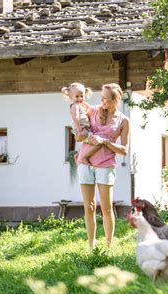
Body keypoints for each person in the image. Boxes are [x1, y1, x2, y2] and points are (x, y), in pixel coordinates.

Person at [76, 83, 130, 249]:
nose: (102, 101)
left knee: (106, 208)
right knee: (89, 206)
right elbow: (79, 136)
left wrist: (105, 142)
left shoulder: (123, 120)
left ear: (115, 100)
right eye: (101, 98)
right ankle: (92, 246)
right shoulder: (93, 111)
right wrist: (84, 136)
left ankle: (108, 247)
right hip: (85, 164)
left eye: (105, 98)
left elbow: (124, 151)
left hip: (105, 166)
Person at [62, 82, 100, 166]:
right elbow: (76, 118)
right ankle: (83, 157)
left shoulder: (80, 104)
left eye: (82, 96)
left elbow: (90, 108)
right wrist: (79, 130)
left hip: (85, 128)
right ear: (71, 97)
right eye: (77, 96)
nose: (79, 98)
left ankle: (78, 155)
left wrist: (84, 103)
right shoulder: (74, 106)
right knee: (98, 143)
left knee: (89, 143)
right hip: (81, 128)